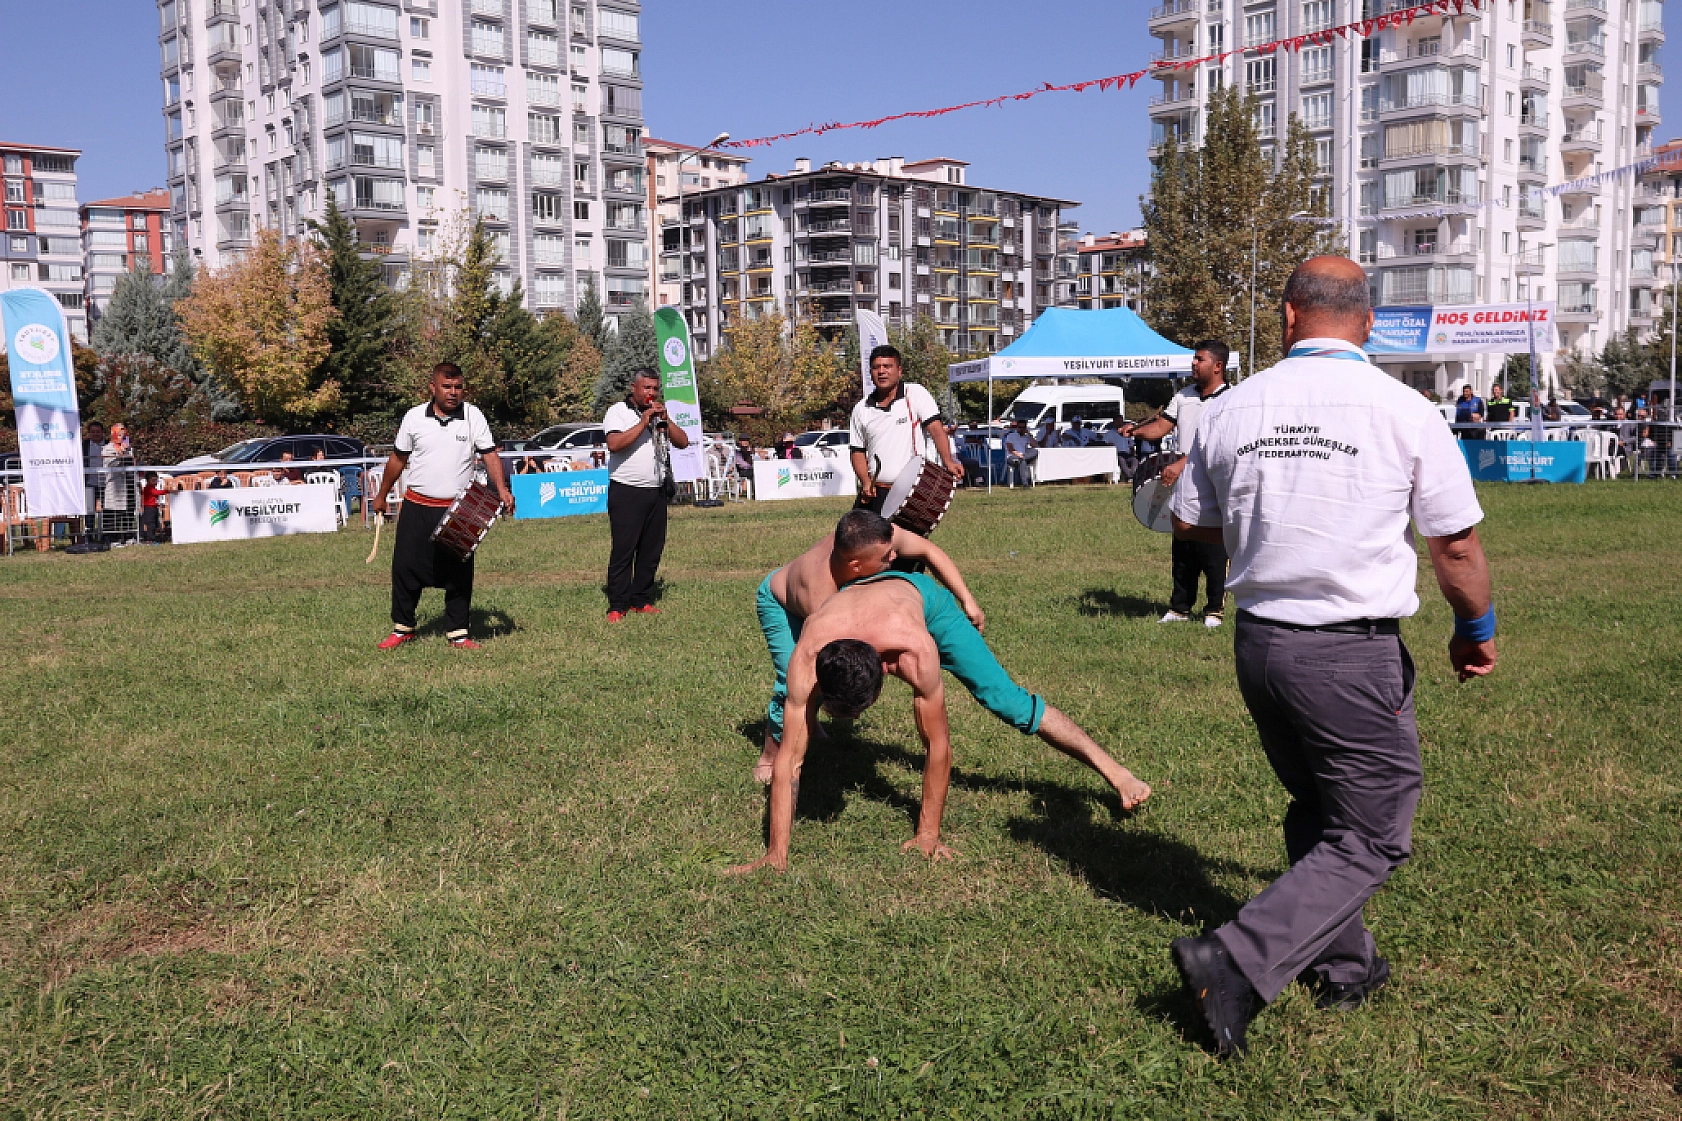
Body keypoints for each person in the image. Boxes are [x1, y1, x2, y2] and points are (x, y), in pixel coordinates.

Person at [1166, 256, 1496, 1059]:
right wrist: (1475, 627)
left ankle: (1346, 966)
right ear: (1369, 321)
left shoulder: (1231, 409)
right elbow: (1454, 545)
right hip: (1348, 651)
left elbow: (1192, 523)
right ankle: (1233, 959)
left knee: (1320, 806)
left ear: (1287, 316)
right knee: (1375, 832)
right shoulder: (1404, 409)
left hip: (1260, 644)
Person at [729, 558, 1152, 875]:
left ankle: (1117, 773)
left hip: (921, 601)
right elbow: (789, 761)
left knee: (1006, 700)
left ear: (884, 674)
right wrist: (775, 854)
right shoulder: (807, 657)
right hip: (861, 600)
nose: (851, 721)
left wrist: (927, 834)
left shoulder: (915, 652)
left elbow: (937, 746)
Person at [753, 508, 986, 782]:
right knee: (797, 681)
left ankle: (810, 724)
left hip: (824, 597)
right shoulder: (820, 594)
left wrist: (968, 600)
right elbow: (839, 654)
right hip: (781, 605)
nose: (895, 557)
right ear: (856, 566)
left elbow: (928, 551)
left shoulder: (872, 537)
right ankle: (770, 756)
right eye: (886, 557)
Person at [369, 362, 514, 650]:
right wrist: (381, 495)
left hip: (458, 510)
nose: (453, 392)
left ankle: (458, 633)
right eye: (446, 387)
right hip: (416, 507)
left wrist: (502, 490)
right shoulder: (413, 418)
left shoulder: (474, 416)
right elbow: (398, 459)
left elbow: (490, 455)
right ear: (433, 387)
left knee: (459, 572)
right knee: (405, 568)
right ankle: (403, 628)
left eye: (458, 387)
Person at [1121, 340, 1234, 627]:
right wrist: (1136, 431)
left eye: (1200, 359)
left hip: (1214, 478)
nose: (1193, 363)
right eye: (1194, 358)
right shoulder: (1184, 396)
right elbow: (1162, 427)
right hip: (1184, 480)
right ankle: (1180, 608)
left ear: (1218, 366)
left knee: (1214, 547)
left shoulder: (1231, 400)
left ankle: (1214, 611)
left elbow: (1215, 445)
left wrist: (1182, 465)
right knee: (1183, 542)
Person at [603, 367, 689, 621]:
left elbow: (683, 442)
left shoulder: (659, 413)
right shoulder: (618, 411)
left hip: (656, 490)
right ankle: (617, 605)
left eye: (655, 388)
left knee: (651, 550)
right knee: (624, 550)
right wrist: (643, 422)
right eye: (646, 388)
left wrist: (665, 420)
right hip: (626, 490)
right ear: (634, 388)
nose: (651, 392)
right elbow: (614, 444)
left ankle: (641, 599)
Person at [849, 345, 963, 514]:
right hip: (876, 492)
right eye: (876, 367)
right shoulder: (861, 409)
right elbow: (857, 451)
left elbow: (936, 430)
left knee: (900, 532)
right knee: (853, 529)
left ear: (899, 370)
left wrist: (948, 461)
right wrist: (865, 481)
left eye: (887, 366)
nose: (881, 371)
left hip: (911, 492)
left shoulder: (915, 393)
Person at [1002, 419, 1037, 488]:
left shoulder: (1026, 437)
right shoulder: (1011, 436)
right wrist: (1019, 455)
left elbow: (1034, 445)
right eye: (1020, 427)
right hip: (1012, 456)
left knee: (1035, 451)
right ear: (1017, 427)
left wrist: (1030, 434)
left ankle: (1025, 483)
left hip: (1023, 456)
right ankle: (1025, 484)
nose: (1022, 429)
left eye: (1023, 427)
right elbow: (1010, 449)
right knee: (1022, 461)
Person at [138, 472, 165, 544]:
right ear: (147, 480)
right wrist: (168, 491)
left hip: (154, 508)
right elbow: (156, 493)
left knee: (154, 524)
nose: (155, 482)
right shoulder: (148, 488)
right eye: (153, 480)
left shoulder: (152, 488)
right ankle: (150, 539)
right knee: (151, 524)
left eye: (156, 480)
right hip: (149, 508)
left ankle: (153, 537)